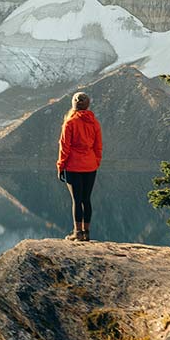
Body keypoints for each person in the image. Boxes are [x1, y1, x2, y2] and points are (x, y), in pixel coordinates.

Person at [56, 91, 103, 241]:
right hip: (90, 166)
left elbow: (65, 148)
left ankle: (78, 233)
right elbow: (98, 146)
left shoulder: (70, 123)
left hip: (73, 167)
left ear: (73, 105)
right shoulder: (94, 123)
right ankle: (87, 233)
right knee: (86, 200)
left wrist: (60, 166)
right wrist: (95, 162)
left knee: (77, 201)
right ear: (87, 105)